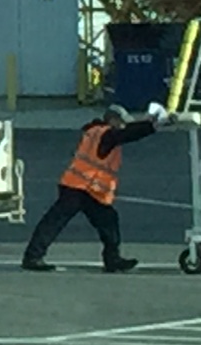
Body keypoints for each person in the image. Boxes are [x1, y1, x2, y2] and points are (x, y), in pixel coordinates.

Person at [20, 101, 176, 272]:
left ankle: (112, 259)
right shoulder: (106, 134)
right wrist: (152, 126)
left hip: (84, 188)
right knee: (57, 221)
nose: (123, 126)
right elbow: (129, 134)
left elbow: (127, 132)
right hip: (80, 187)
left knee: (105, 221)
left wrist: (151, 123)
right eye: (121, 122)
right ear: (113, 120)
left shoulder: (95, 132)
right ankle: (33, 257)